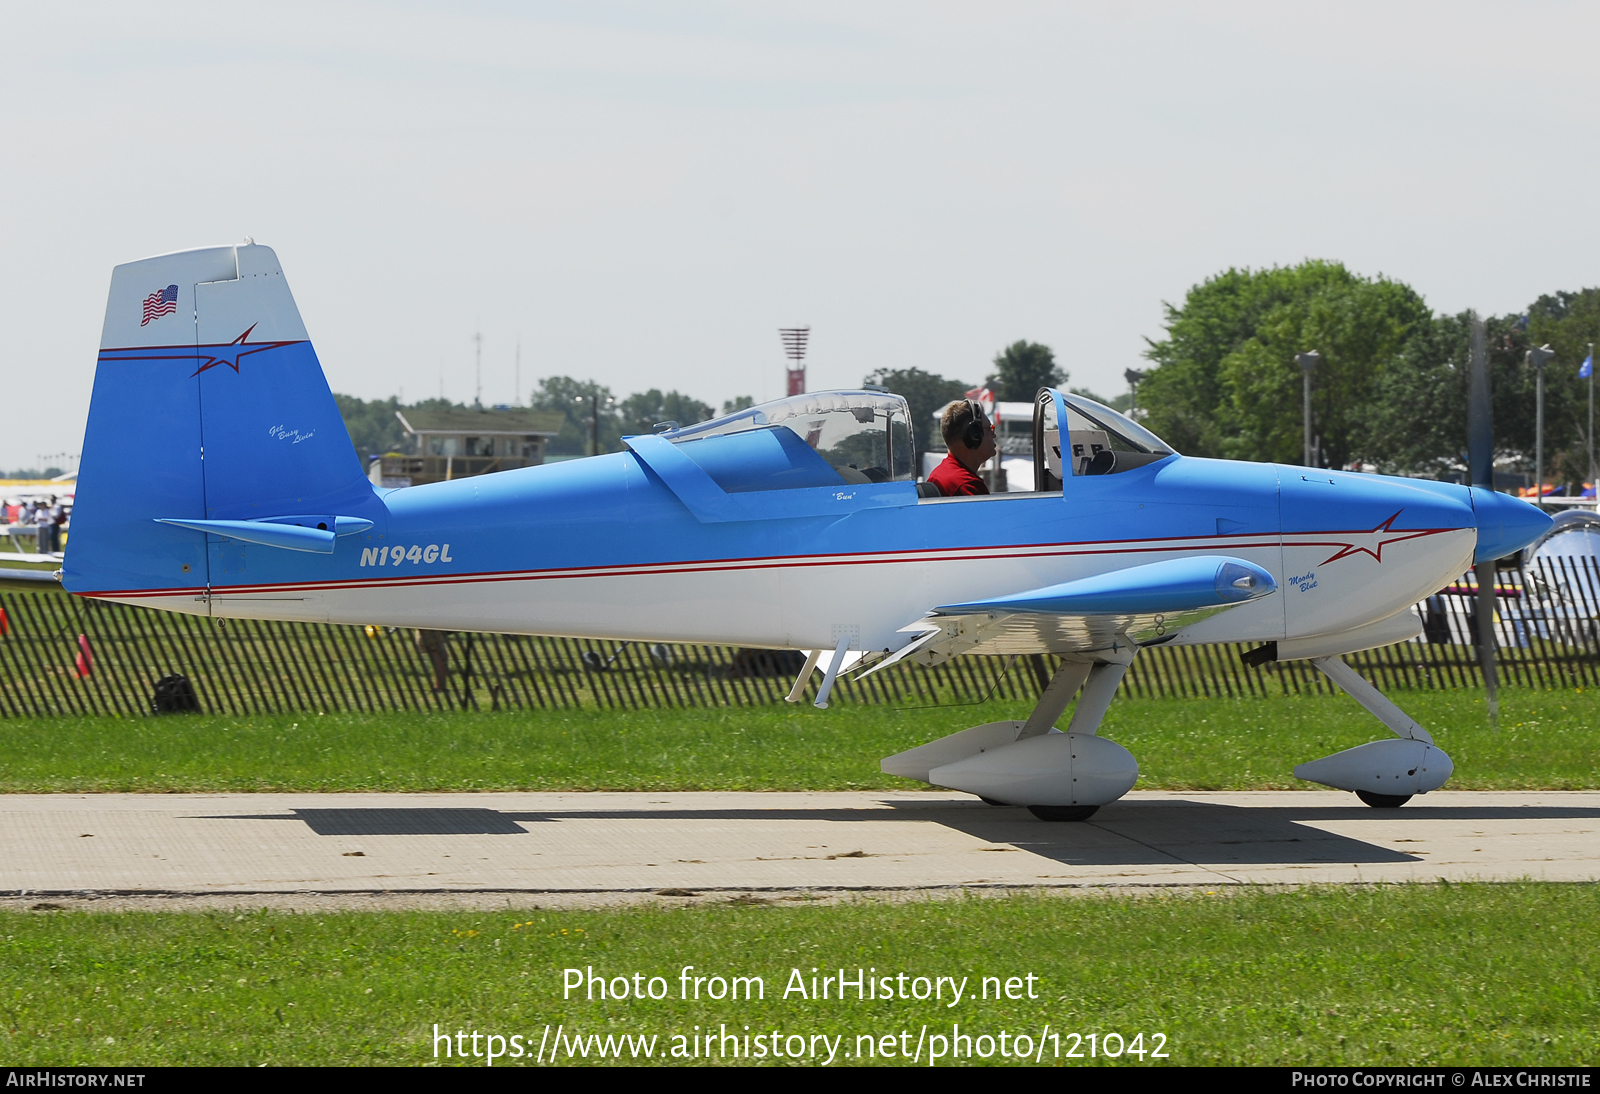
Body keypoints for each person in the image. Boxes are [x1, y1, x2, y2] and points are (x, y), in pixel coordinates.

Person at [925, 399, 997, 497]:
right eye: (989, 429)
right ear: (974, 436)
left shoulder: (941, 473)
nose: (994, 435)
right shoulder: (966, 485)